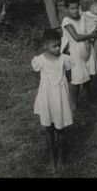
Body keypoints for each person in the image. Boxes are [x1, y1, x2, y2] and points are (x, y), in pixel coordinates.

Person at [31, 29, 74, 170]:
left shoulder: (64, 59)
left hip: (60, 97)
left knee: (60, 128)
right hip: (47, 97)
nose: (57, 48)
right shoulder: (40, 60)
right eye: (54, 46)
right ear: (45, 45)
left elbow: (68, 73)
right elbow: (40, 73)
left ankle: (61, 156)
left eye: (59, 45)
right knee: (48, 128)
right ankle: (52, 156)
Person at [61, 0, 97, 107]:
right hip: (75, 52)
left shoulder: (83, 16)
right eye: (72, 8)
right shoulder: (66, 20)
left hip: (87, 47)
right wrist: (91, 35)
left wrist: (93, 31)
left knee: (88, 77)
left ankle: (88, 101)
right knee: (76, 79)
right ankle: (73, 103)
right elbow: (76, 37)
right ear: (66, 9)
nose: (75, 11)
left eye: (77, 8)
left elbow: (93, 21)